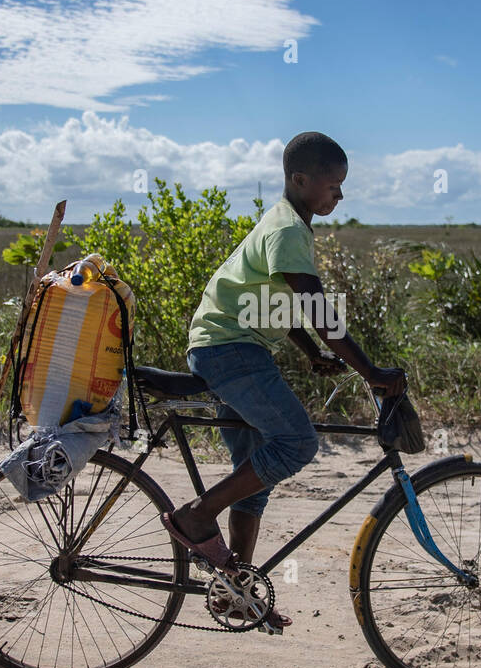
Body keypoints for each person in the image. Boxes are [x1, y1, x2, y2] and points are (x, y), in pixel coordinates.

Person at [160, 131, 406, 629]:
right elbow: (316, 307)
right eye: (334, 184)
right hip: (230, 349)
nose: (340, 194)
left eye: (342, 185)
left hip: (229, 346)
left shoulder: (287, 224)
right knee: (295, 442)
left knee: (254, 475)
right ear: (300, 179)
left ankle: (236, 590)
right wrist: (373, 373)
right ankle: (194, 517)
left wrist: (313, 354)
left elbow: (282, 301)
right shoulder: (289, 230)